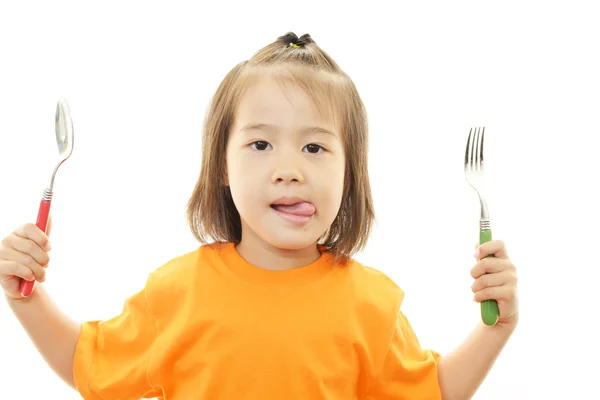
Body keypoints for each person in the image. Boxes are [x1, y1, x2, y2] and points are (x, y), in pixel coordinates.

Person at [1, 32, 519, 400]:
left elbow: (432, 392)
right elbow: (88, 365)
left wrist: (496, 328)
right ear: (222, 167)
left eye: (315, 148)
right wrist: (23, 294)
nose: (288, 169)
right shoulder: (178, 290)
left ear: (349, 175)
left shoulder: (371, 305)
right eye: (261, 143)